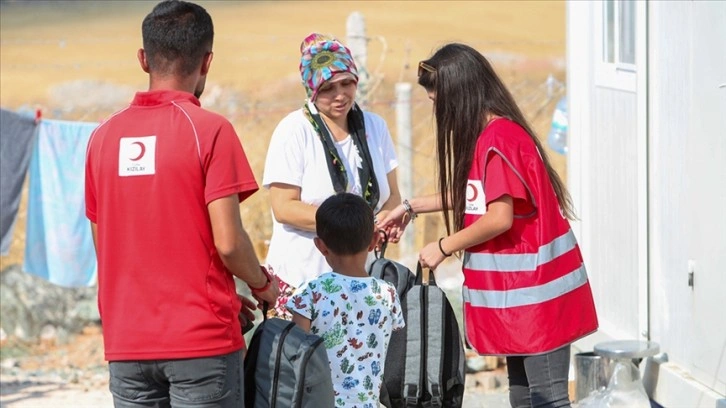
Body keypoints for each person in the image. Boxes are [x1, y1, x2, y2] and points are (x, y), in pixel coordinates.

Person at [379, 43, 598, 408]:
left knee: (546, 399)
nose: (438, 111)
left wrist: (443, 247)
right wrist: (412, 206)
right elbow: (478, 194)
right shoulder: (495, 135)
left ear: (458, 95)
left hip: (537, 299)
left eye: (438, 102)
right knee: (522, 396)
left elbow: (499, 217)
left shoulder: (499, 140)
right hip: (522, 301)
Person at [84, 1, 279, 406]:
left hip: (127, 343)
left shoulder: (102, 138)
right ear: (206, 62)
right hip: (201, 342)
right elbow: (229, 242)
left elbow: (107, 246)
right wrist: (262, 285)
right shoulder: (210, 130)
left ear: (143, 59)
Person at [262, 33, 405, 319]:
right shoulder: (293, 130)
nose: (340, 95)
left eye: (347, 83)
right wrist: (352, 229)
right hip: (303, 280)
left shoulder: (374, 127)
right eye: (328, 88)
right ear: (312, 90)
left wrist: (385, 221)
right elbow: (284, 207)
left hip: (355, 278)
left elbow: (392, 196)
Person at [286, 192, 405, 408]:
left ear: (320, 246)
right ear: (374, 241)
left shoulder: (310, 292)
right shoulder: (388, 293)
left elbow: (295, 353)